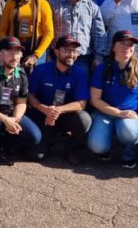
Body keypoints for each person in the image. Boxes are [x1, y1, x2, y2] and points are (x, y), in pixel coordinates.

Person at [87, 30, 138, 169]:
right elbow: (95, 100)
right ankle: (107, 146)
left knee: (128, 131)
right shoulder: (103, 68)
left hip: (131, 115)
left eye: (130, 44)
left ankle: (129, 152)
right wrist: (118, 113)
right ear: (113, 47)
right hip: (106, 113)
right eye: (122, 43)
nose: (127, 47)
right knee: (97, 147)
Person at [0, 36, 42, 165]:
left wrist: (15, 120)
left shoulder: (21, 74)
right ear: (0, 55)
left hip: (11, 114)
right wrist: (5, 120)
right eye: (11, 53)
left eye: (18, 53)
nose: (15, 57)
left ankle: (7, 147)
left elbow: (21, 103)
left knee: (35, 136)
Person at [27, 35, 92, 165]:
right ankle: (50, 139)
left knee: (84, 119)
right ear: (56, 52)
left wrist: (56, 110)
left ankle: (71, 148)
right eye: (67, 50)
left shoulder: (80, 73)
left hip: (64, 115)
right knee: (36, 155)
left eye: (74, 51)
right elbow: (30, 96)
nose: (71, 54)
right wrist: (45, 109)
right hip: (42, 115)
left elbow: (81, 103)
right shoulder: (41, 70)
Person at [49, 0, 107, 68]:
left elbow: (99, 34)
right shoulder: (54, 4)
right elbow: (47, 31)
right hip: (57, 58)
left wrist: (98, 57)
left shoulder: (92, 7)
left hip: (82, 58)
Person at [0, 0, 54, 71]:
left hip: (36, 49)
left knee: (35, 83)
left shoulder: (43, 4)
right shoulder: (10, 3)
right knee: (15, 82)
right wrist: (7, 47)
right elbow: (2, 29)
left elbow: (49, 33)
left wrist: (36, 55)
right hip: (14, 49)